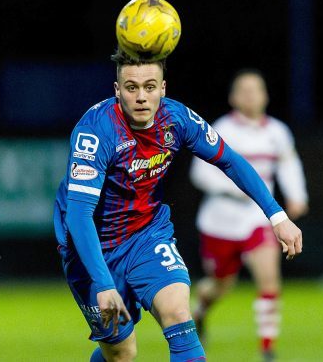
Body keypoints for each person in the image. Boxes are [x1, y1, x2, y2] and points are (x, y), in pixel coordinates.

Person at [53, 53, 303, 362]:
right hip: (92, 247)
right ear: (117, 90)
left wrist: (276, 215)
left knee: (179, 312)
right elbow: (78, 215)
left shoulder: (177, 118)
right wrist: (103, 284)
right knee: (121, 353)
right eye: (131, 87)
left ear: (163, 88)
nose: (142, 97)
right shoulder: (95, 131)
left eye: (150, 86)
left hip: (147, 234)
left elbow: (229, 160)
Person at [190, 69, 308, 361]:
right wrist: (233, 190)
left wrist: (297, 196)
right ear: (232, 97)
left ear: (266, 95)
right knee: (220, 284)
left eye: (256, 89)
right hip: (220, 220)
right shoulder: (221, 129)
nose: (250, 95)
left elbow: (289, 165)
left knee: (269, 278)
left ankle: (267, 348)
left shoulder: (277, 132)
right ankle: (200, 310)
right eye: (243, 90)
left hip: (259, 218)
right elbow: (200, 173)